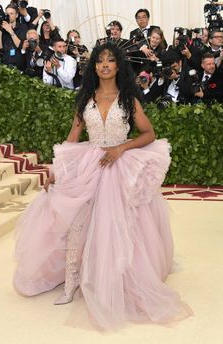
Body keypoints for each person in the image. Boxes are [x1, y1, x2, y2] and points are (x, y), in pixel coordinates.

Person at [13, 42, 192, 329]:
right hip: (88, 164)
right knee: (77, 222)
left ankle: (118, 278)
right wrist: (57, 168)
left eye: (110, 60)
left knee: (121, 224)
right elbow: (73, 135)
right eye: (100, 61)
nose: (105, 65)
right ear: (94, 67)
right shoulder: (85, 99)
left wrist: (122, 148)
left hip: (119, 165)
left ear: (119, 66)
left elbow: (149, 134)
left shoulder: (128, 100)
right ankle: (71, 282)